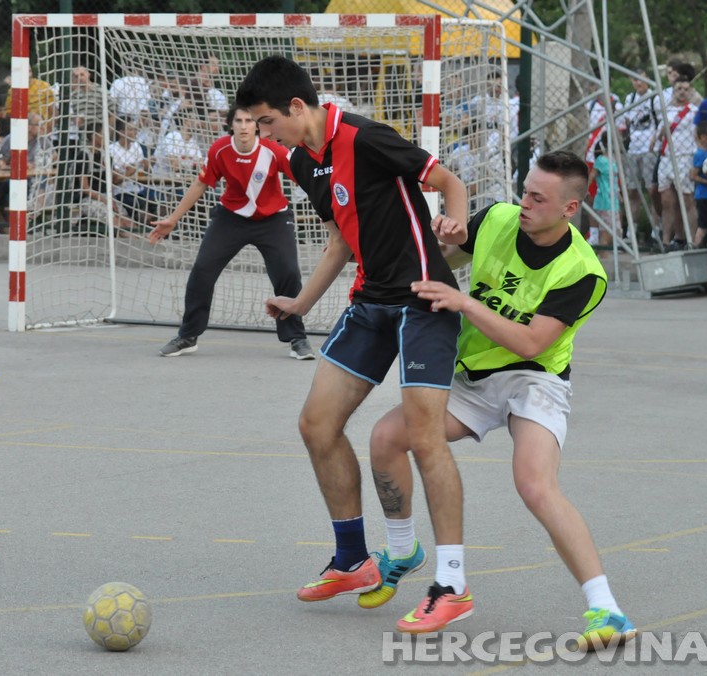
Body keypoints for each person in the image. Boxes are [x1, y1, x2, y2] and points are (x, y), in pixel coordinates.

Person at [235, 55, 471, 631]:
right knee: (316, 425)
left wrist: (458, 221)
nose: (262, 135)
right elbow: (343, 236)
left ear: (296, 107)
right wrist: (301, 303)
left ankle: (453, 585)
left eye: (265, 123)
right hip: (370, 304)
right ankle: (354, 560)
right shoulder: (300, 160)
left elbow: (447, 181)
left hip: (424, 297)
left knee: (421, 436)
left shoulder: (366, 138)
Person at [367, 150, 636, 648]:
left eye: (538, 197)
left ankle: (608, 610)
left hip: (535, 379)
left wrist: (465, 301)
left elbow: (531, 342)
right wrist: (440, 242)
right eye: (525, 190)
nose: (525, 202)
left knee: (535, 485)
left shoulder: (583, 272)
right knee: (385, 438)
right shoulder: (495, 218)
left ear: (569, 209)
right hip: (475, 375)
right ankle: (402, 551)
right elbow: (440, 265)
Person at [149, 106, 314, 360]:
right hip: (230, 218)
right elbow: (200, 184)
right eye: (239, 120)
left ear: (257, 125)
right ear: (232, 125)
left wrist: (332, 216)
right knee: (202, 269)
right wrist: (172, 219)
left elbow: (305, 178)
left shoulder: (273, 150)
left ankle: (296, 339)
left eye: (250, 120)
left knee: (288, 273)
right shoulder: (220, 149)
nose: (245, 125)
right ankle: (188, 336)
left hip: (273, 219)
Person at [654, 78, 698, 251]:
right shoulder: (667, 111)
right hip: (666, 158)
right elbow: (659, 136)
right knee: (667, 201)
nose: (682, 92)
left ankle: (691, 240)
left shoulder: (694, 111)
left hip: (684, 157)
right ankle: (666, 241)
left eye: (686, 89)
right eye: (679, 88)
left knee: (687, 200)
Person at [620, 70, 660, 231]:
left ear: (648, 80)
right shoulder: (630, 99)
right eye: (635, 80)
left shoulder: (654, 98)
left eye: (641, 80)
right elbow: (627, 120)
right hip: (633, 148)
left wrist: (654, 139)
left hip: (649, 148)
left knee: (652, 190)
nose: (638, 83)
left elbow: (661, 119)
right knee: (632, 191)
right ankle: (632, 228)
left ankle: (656, 227)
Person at [588, 133, 620, 247]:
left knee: (616, 231)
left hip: (614, 200)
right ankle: (603, 253)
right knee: (607, 231)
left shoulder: (615, 160)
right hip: (605, 199)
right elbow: (592, 176)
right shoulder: (601, 160)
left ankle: (605, 251)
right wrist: (585, 190)